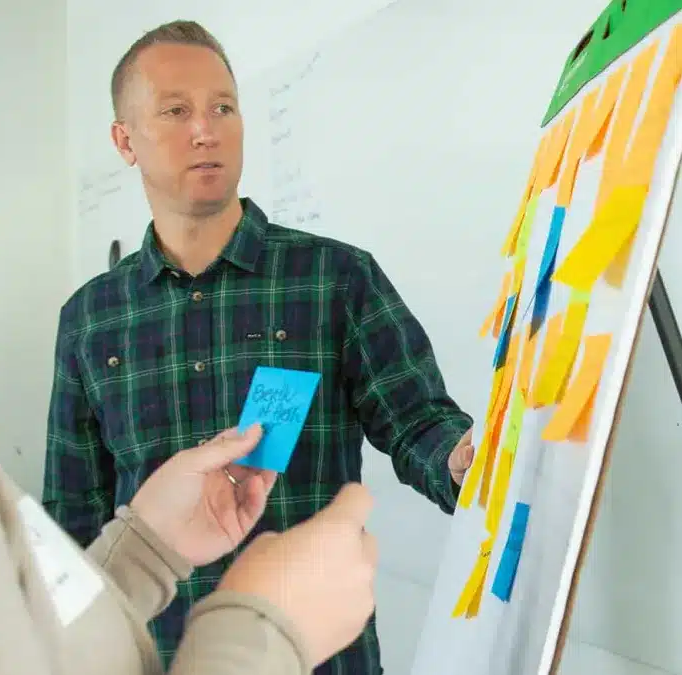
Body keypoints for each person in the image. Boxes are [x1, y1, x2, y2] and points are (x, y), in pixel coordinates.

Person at [0, 3, 381, 674]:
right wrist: (265, 628)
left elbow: (33, 636)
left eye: (223, 107)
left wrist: (142, 548)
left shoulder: (337, 274)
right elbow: (68, 508)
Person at [43, 18, 476, 675]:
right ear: (123, 140)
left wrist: (460, 459)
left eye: (223, 107)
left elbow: (418, 421)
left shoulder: (335, 278)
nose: (205, 129)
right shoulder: (89, 320)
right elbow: (72, 522)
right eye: (175, 110)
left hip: (318, 655)